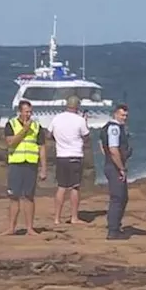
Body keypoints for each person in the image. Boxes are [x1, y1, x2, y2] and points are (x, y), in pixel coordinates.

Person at [4, 100, 47, 234]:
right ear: (20, 112)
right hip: (16, 164)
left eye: (30, 112)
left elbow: (42, 147)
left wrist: (44, 168)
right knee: (14, 196)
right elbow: (11, 143)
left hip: (31, 164)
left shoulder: (37, 127)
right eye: (26, 112)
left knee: (29, 196)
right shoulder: (11, 124)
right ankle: (11, 228)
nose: (28, 115)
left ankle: (30, 228)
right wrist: (24, 130)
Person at [49, 94, 90, 224]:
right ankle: (74, 217)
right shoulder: (80, 120)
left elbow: (49, 134)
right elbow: (86, 137)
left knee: (61, 187)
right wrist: (85, 122)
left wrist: (59, 140)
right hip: (75, 156)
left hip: (61, 156)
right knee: (74, 187)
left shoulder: (57, 118)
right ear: (77, 106)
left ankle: (56, 218)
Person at [100, 104, 132, 240]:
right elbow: (113, 150)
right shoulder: (114, 129)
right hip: (114, 167)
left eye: (126, 115)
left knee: (123, 197)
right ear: (115, 114)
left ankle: (116, 227)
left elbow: (101, 144)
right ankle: (113, 231)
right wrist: (121, 168)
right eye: (122, 115)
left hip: (111, 165)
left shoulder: (108, 127)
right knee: (118, 198)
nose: (124, 118)